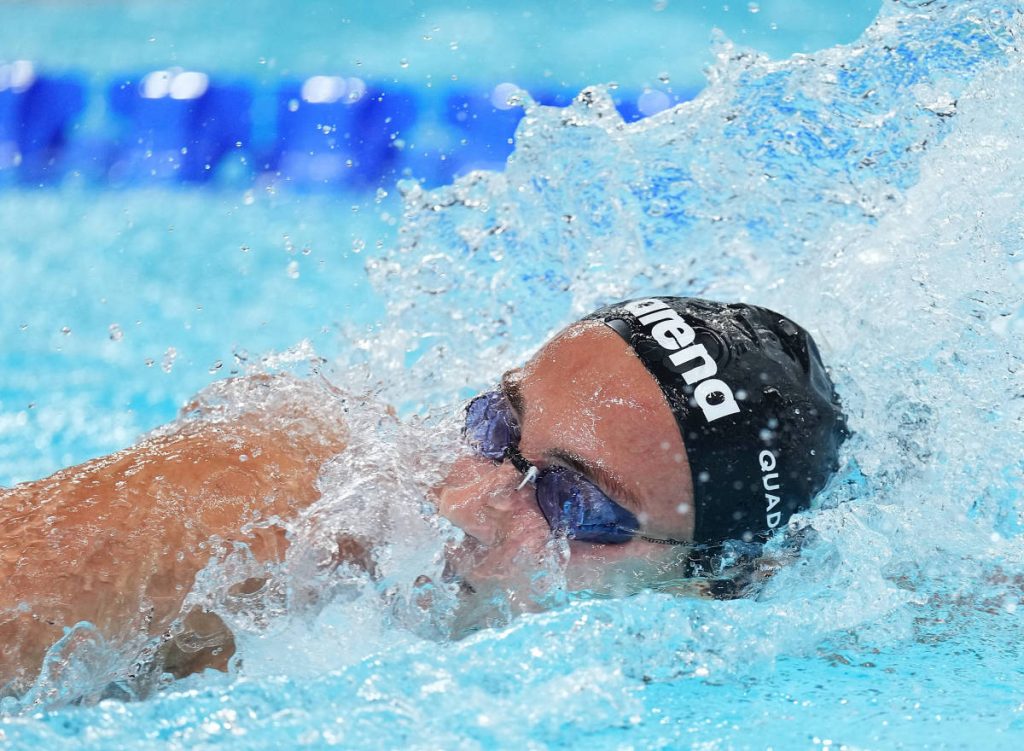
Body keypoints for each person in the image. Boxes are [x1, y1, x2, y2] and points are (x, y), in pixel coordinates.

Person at [0, 296, 847, 695]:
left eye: (571, 503)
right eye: (494, 425)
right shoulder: (271, 502)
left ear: (711, 580)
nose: (470, 500)